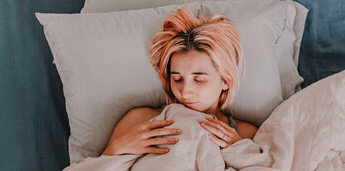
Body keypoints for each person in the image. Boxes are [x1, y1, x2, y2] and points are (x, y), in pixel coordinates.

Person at [102, 5, 257, 157]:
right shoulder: (139, 120)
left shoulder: (245, 134)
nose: (184, 92)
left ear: (226, 81)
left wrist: (241, 153)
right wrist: (116, 148)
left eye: (199, 79)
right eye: (177, 79)